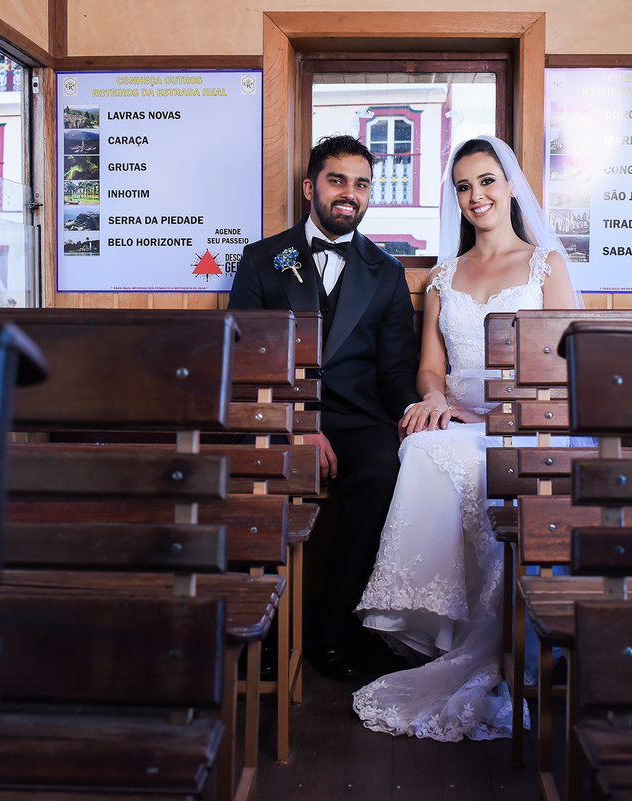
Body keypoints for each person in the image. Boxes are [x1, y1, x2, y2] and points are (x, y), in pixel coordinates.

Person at [352, 135, 581, 741]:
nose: (475, 196)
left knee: (494, 466)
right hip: (457, 418)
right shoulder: (443, 275)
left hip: (526, 422)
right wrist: (432, 397)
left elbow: (560, 366)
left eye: (485, 181)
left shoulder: (545, 266)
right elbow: (430, 365)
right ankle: (443, 626)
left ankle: (507, 636)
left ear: (509, 186)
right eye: (462, 186)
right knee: (425, 448)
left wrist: (506, 416)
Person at [228, 135, 421, 681]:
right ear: (311, 187)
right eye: (338, 180)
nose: (350, 194)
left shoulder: (385, 272)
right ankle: (259, 630)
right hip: (278, 411)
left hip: (358, 418)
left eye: (362, 184)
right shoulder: (264, 259)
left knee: (387, 470)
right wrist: (298, 427)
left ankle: (330, 630)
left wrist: (420, 413)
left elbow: (395, 372)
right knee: (259, 469)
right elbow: (244, 362)